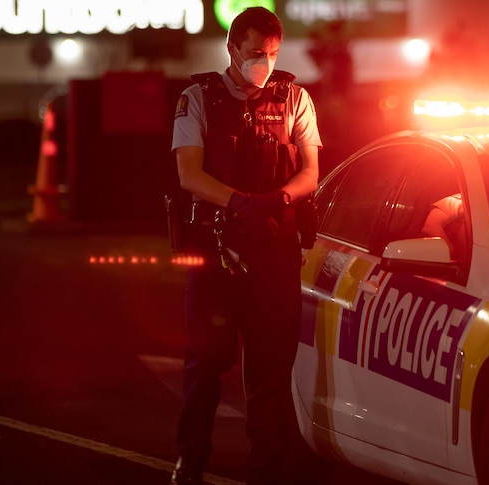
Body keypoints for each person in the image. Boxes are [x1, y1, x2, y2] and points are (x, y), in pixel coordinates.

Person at [169, 7, 322, 485]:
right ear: (232, 49)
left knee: (271, 368)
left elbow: (310, 173)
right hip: (215, 244)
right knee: (204, 362)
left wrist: (274, 200)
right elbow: (188, 174)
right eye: (257, 53)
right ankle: (190, 462)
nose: (266, 63)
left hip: (273, 246)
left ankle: (266, 471)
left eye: (273, 53)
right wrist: (239, 202)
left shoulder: (295, 98)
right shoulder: (198, 97)